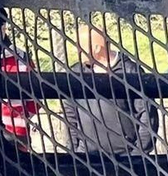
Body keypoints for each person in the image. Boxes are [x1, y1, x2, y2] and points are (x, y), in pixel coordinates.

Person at [63, 25, 157, 154]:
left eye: (80, 47)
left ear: (96, 48)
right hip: (87, 158)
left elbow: (147, 115)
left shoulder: (129, 72)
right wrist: (74, 154)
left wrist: (137, 155)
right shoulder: (76, 74)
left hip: (125, 158)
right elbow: (70, 116)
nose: (77, 51)